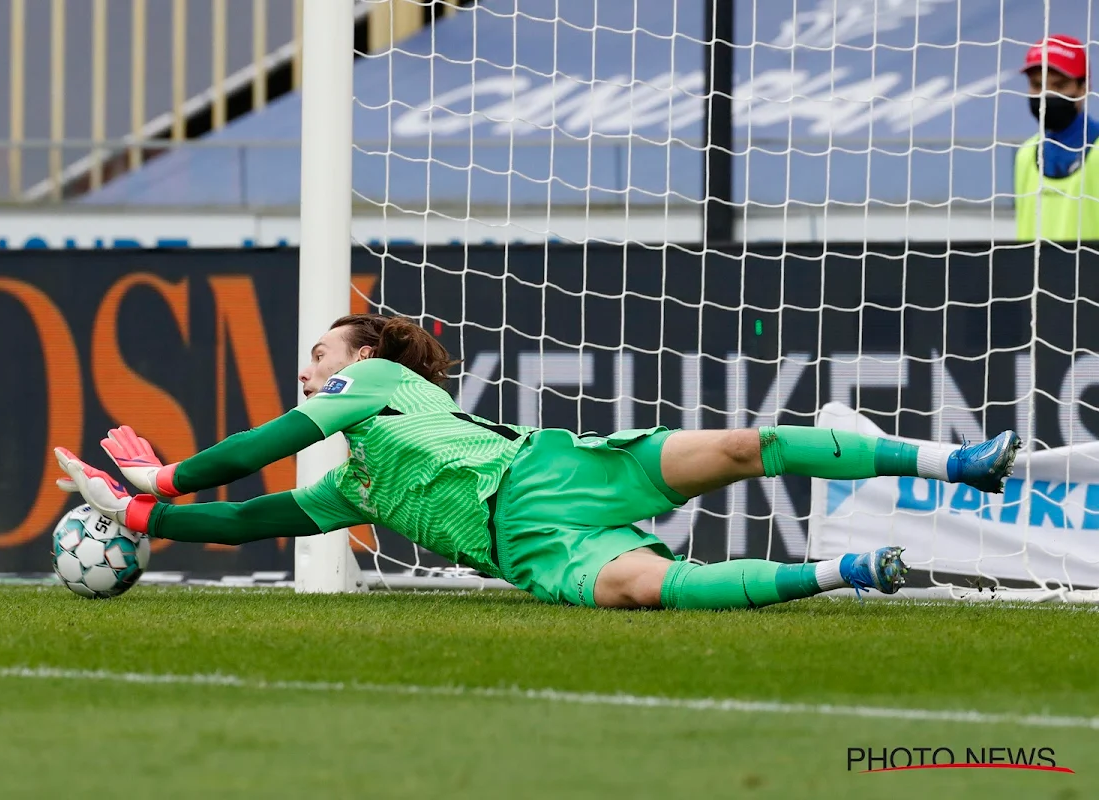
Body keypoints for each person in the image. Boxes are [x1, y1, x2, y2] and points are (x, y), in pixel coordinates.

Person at [55, 313, 1021, 610]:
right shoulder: (355, 480)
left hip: (557, 473)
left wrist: (165, 479)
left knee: (740, 445)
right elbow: (250, 519)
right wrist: (146, 522)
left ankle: (957, 460)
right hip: (524, 549)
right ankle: (842, 572)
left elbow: (276, 441)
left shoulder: (386, 385)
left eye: (319, 353)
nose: (307, 368)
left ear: (362, 357)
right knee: (651, 589)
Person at [1015, 34, 1099, 242]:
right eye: (1037, 85)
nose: (1046, 95)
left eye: (1059, 86)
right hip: (1034, 273)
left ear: (1084, 88)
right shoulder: (1026, 154)